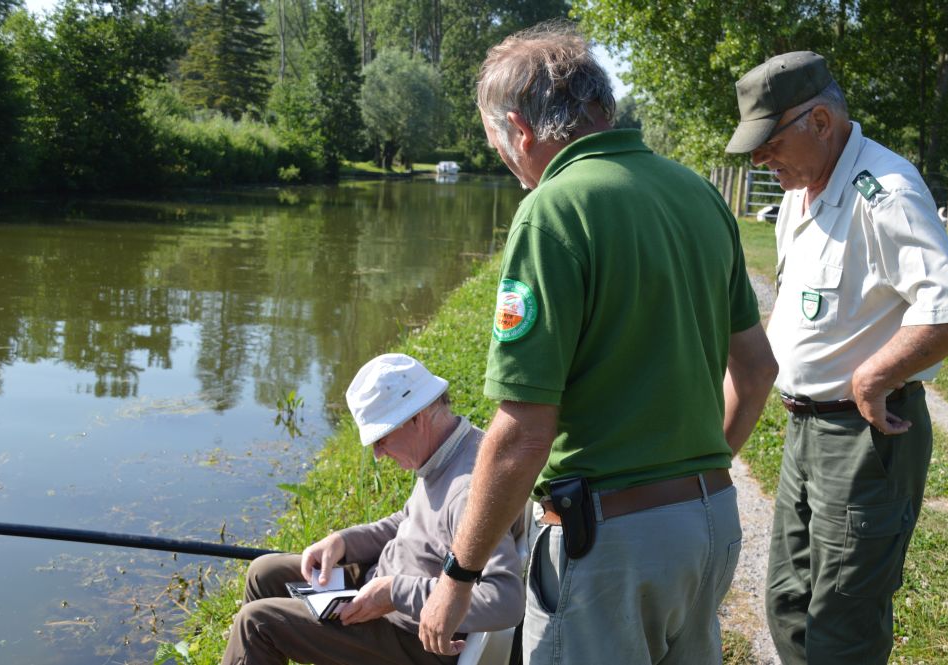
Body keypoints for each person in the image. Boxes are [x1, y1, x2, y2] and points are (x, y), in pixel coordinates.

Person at [418, 21, 778, 665]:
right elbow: (755, 370)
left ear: (520, 131)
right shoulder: (697, 192)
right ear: (601, 106)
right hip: (712, 524)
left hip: (610, 545)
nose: (510, 166)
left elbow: (523, 432)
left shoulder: (552, 210)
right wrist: (698, 471)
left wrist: (458, 576)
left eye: (501, 147)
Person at [725, 51, 948, 665]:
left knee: (842, 617)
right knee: (789, 602)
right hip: (805, 429)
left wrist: (873, 375)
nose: (761, 159)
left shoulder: (885, 192)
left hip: (864, 438)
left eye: (770, 142)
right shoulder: (804, 190)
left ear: (820, 121)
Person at [222, 353, 525, 665]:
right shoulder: (447, 452)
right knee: (264, 572)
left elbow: (505, 602)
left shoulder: (468, 489)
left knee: (256, 624)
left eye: (381, 439)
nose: (379, 454)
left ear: (416, 418)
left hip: (410, 638)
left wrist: (395, 592)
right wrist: (344, 541)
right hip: (379, 588)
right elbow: (410, 523)